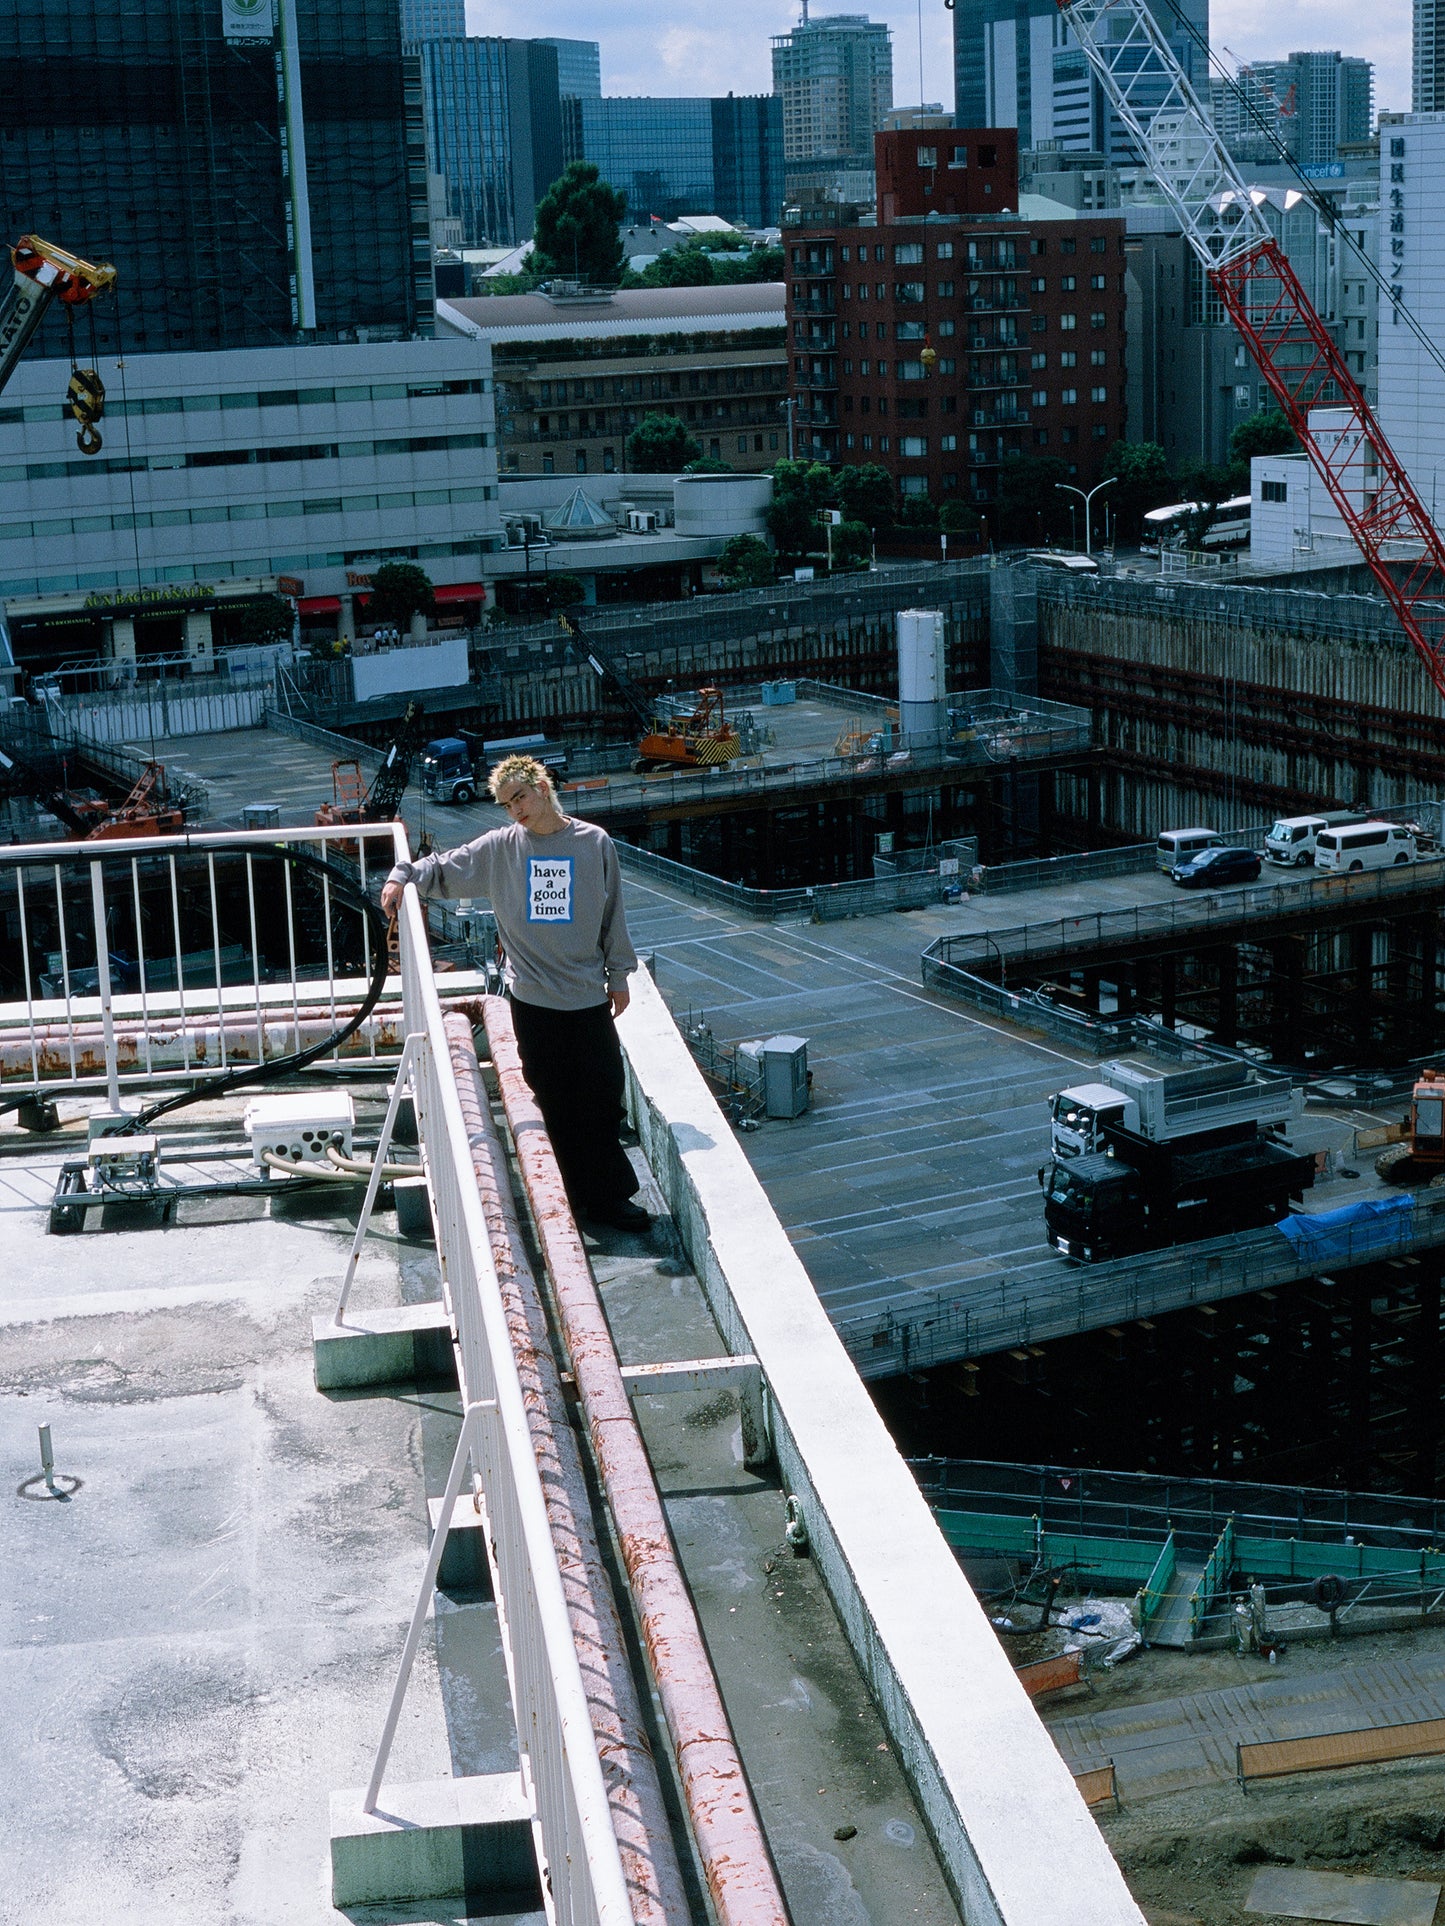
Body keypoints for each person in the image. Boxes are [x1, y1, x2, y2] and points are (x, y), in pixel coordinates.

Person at [381, 753, 649, 1231]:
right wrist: (402, 875)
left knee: (604, 1098)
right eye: (506, 804)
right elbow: (442, 867)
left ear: (542, 788)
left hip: (587, 997)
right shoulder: (501, 848)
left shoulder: (594, 843)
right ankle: (583, 1199)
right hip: (532, 1002)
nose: (515, 810)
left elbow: (614, 915)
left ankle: (609, 1198)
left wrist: (620, 973)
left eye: (519, 797)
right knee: (555, 1100)